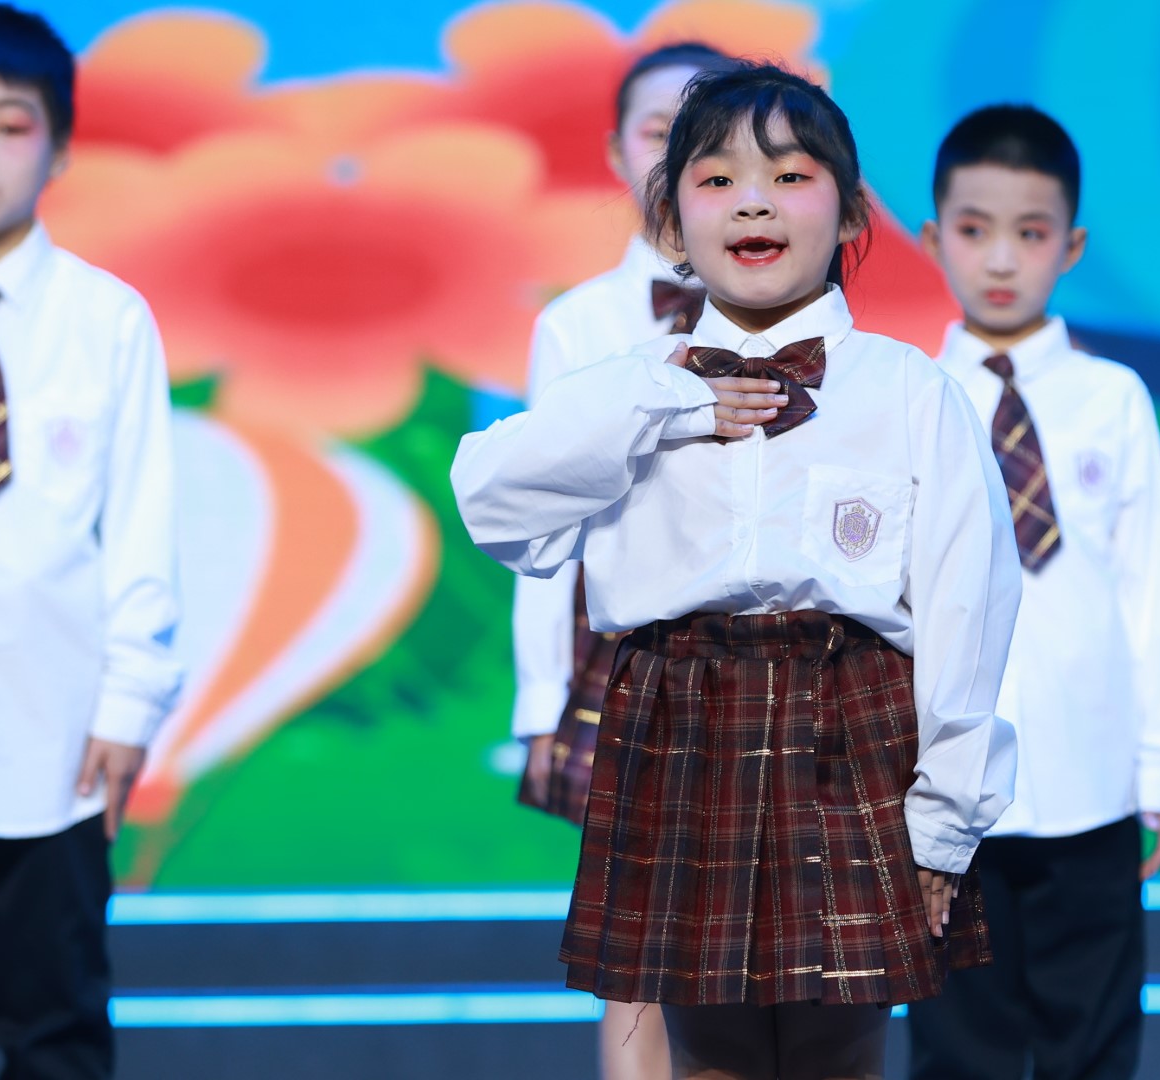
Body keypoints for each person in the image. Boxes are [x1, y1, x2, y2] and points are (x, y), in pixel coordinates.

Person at [452, 62, 1019, 1079]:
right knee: (706, 1054)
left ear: (851, 212)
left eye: (791, 176)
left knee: (840, 1049)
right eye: (716, 180)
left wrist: (944, 822)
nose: (753, 201)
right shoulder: (630, 391)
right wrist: (665, 405)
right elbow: (493, 500)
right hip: (682, 727)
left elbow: (966, 609)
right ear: (670, 223)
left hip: (850, 732)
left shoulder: (907, 390)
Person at [906, 104, 1160, 1080]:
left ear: (1071, 247)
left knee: (1093, 1042)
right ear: (933, 239)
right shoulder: (909, 399)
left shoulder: (1112, 397)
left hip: (1091, 781)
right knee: (960, 1047)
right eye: (974, 229)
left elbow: (1152, 584)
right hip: (949, 789)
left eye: (1030, 234)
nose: (1001, 259)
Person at [509, 41, 738, 1080]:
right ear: (615, 153)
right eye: (659, 133)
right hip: (625, 664)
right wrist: (540, 699)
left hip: (765, 657)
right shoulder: (579, 326)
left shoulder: (796, 319)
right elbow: (543, 527)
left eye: (704, 139)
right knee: (634, 948)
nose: (676, 158)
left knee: (761, 945)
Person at [0, 5, 183, 1077]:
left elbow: (142, 520)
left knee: (54, 1028)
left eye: (10, 125)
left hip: (54, 736)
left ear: (59, 147)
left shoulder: (104, 319)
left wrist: (128, 702)